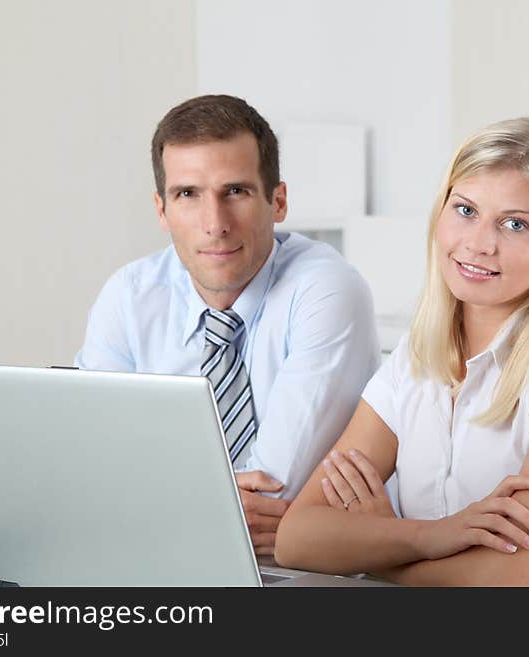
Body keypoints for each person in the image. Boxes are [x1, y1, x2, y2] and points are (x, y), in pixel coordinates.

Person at [275, 118, 529, 586]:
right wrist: (429, 536)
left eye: (515, 224)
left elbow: (504, 580)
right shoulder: (414, 360)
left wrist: (375, 548)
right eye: (465, 211)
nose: (479, 244)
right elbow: (296, 539)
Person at [74, 94, 380, 556]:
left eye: (235, 191)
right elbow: (87, 468)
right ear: (161, 210)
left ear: (277, 201)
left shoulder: (326, 287)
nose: (214, 224)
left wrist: (144, 497)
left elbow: (268, 494)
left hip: (308, 571)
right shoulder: (129, 296)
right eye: (187, 195)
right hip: (161, 558)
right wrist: (181, 505)